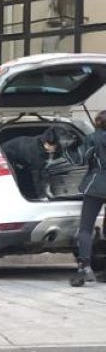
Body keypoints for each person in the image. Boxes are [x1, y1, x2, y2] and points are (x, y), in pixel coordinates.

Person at [73, 112, 106, 287]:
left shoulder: (93, 138)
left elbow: (79, 160)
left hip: (95, 186)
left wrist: (72, 146)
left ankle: (84, 268)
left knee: (86, 228)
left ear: (98, 123)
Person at [2, 129, 61, 200]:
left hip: (22, 153)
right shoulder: (37, 150)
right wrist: (42, 195)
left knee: (43, 172)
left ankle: (47, 192)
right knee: (37, 173)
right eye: (53, 147)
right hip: (8, 152)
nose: (53, 148)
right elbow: (36, 173)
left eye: (55, 147)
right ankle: (40, 195)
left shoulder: (53, 145)